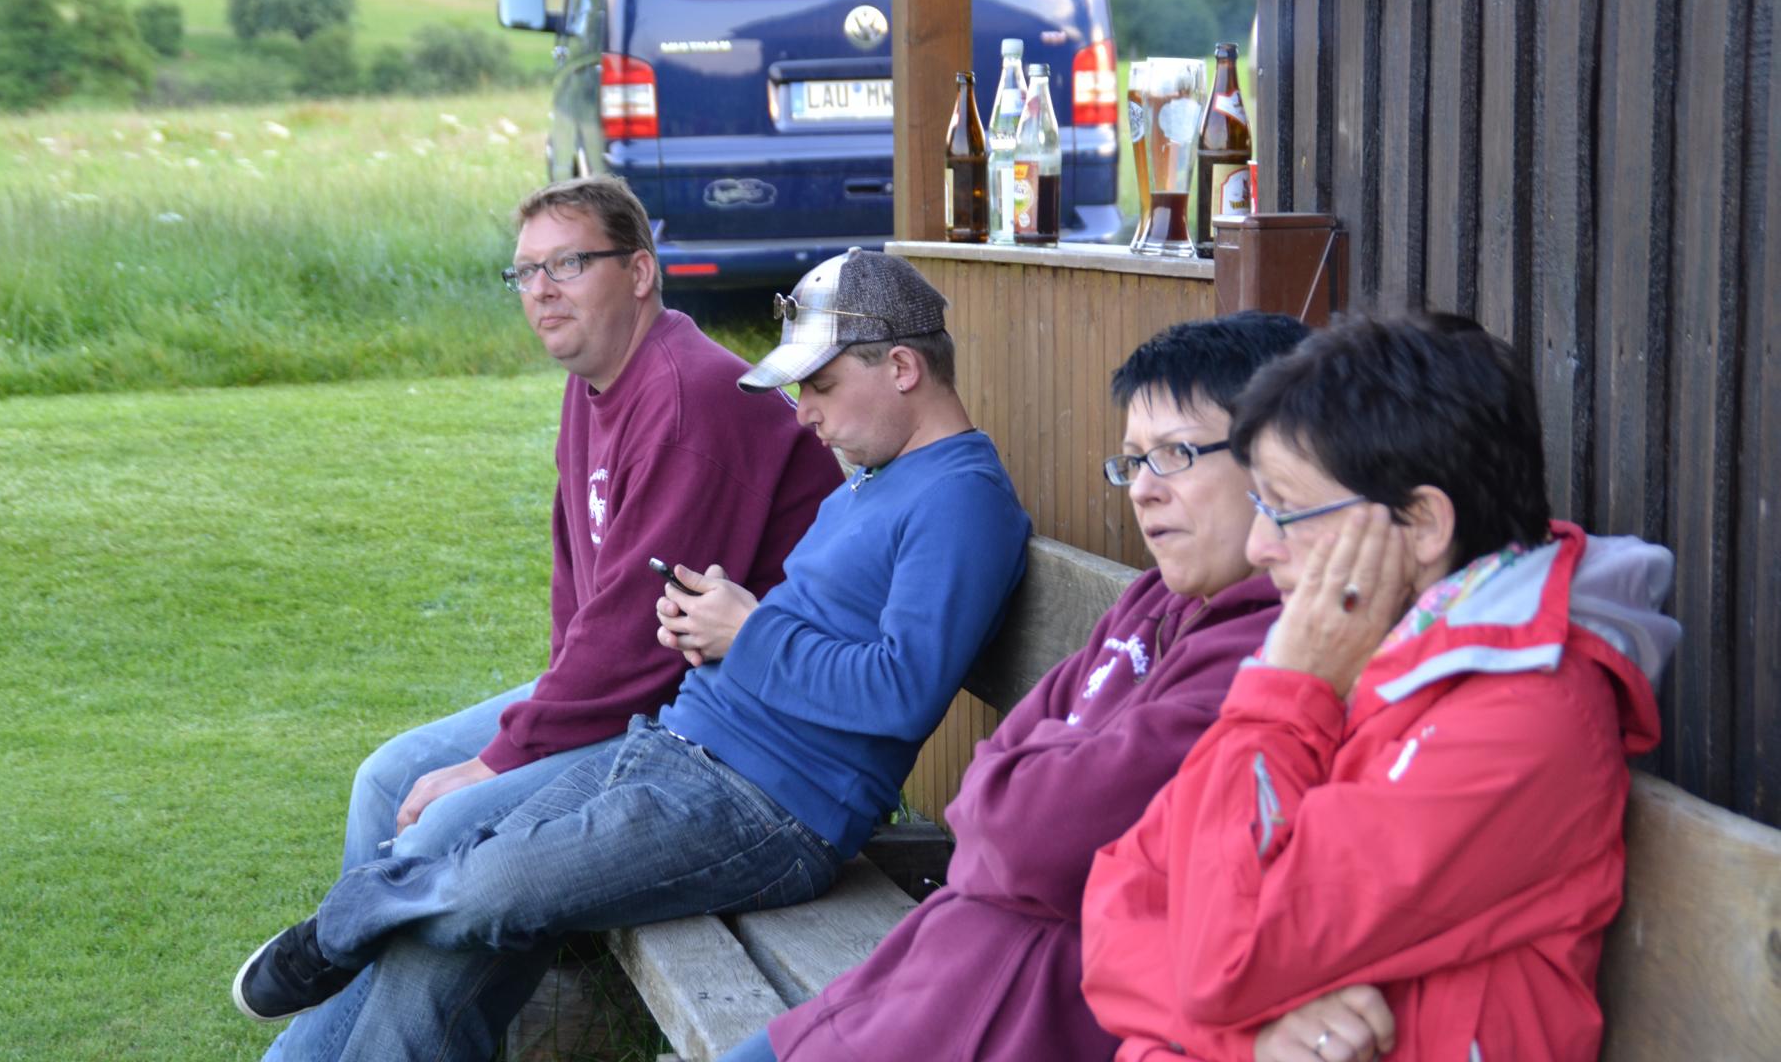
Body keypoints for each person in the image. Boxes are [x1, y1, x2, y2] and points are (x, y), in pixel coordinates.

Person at [232, 249, 1032, 1062]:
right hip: (677, 746)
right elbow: (810, 634)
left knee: (489, 887)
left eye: (820, 386)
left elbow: (901, 690)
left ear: (901, 368)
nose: (804, 415)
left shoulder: (961, 499)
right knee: (456, 923)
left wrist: (748, 633)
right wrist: (713, 623)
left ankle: (351, 916)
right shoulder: (875, 478)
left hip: (772, 810)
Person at [259, 175, 843, 1060]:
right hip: (630, 686)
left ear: (639, 272)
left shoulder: (689, 399)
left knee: (449, 826)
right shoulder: (597, 382)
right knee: (389, 778)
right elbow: (585, 592)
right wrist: (531, 728)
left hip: (702, 718)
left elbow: (640, 641)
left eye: (567, 264)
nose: (541, 291)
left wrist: (499, 759)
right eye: (525, 272)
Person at [712, 312, 1311, 1062]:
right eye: (1133, 462)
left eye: (1176, 455)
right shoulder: (1154, 601)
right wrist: (1018, 796)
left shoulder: (1273, 655)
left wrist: (1019, 791)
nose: (1143, 491)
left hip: (1004, 1014)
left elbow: (1029, 835)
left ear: (1283, 464)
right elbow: (985, 793)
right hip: (926, 979)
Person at [1081, 313, 1680, 1062]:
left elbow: (1225, 956)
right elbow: (1117, 904)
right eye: (1259, 507)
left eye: (1285, 510)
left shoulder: (1521, 720)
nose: (1260, 548)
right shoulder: (1353, 652)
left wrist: (1284, 693)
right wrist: (1253, 1038)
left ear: (1422, 525)